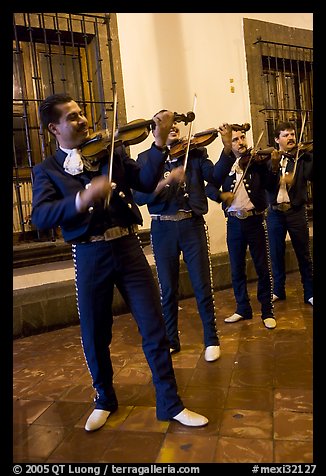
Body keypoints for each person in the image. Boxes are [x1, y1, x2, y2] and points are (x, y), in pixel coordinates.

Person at [31, 93, 209, 432]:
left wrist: (158, 143)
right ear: (54, 128)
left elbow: (143, 182)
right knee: (95, 332)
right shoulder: (47, 170)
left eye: (81, 112)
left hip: (127, 247)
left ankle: (170, 403)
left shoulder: (111, 151)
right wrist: (81, 198)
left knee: (154, 327)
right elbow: (40, 216)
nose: (83, 120)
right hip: (88, 253)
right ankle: (104, 399)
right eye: (72, 117)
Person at [133, 121, 220, 361]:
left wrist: (226, 148)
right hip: (162, 227)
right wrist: (166, 181)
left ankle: (211, 339)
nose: (173, 127)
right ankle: (171, 339)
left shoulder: (195, 153)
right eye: (165, 125)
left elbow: (216, 177)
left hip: (191, 224)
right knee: (168, 288)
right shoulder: (145, 159)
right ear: (155, 132)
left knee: (202, 284)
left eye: (175, 124)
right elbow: (140, 197)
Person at [205, 123, 276, 329]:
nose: (240, 142)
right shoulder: (224, 165)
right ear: (229, 143)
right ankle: (242, 308)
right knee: (237, 268)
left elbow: (271, 186)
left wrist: (270, 165)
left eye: (243, 137)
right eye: (235, 139)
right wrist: (220, 196)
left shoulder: (257, 162)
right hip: (234, 222)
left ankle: (267, 311)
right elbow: (210, 186)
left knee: (262, 267)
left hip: (255, 220)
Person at [265, 121, 313, 306]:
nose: (291, 138)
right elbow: (267, 186)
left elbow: (311, 175)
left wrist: (309, 154)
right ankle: (278, 290)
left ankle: (309, 292)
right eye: (286, 135)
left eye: (292, 134)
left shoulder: (301, 158)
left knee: (303, 253)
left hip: (296, 212)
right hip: (275, 213)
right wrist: (276, 168)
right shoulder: (269, 160)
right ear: (277, 139)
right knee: (276, 253)